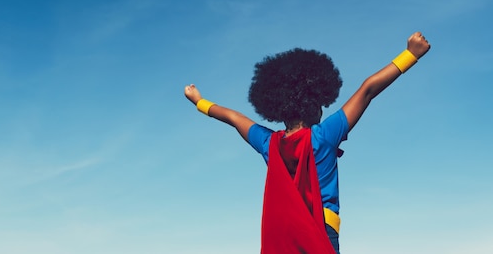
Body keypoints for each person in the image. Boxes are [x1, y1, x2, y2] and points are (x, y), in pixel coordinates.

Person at [184, 32, 431, 253]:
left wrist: (199, 102)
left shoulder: (268, 143)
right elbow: (367, 90)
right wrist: (411, 54)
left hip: (282, 235)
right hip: (320, 229)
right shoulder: (323, 136)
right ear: (313, 105)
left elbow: (234, 118)